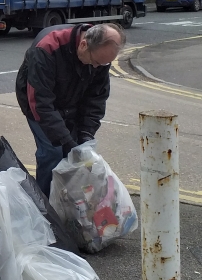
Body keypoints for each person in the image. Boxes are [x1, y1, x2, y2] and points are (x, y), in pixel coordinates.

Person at [15, 22, 126, 197]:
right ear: (83, 45)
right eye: (96, 62)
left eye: (104, 65)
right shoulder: (47, 48)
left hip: (71, 101)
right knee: (53, 152)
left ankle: (68, 203)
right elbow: (41, 103)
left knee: (77, 152)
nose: (97, 67)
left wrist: (86, 133)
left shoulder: (100, 60)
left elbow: (95, 99)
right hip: (38, 104)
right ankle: (44, 205)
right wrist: (67, 141)